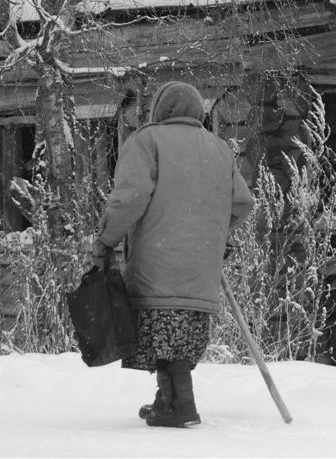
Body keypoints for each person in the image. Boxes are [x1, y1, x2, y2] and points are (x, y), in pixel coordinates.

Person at [93, 81, 254, 428]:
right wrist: (213, 233)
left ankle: (182, 405)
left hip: (158, 258)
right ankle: (166, 400)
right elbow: (241, 203)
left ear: (161, 111)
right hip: (202, 263)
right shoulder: (219, 149)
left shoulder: (147, 141)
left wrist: (106, 239)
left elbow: (129, 198)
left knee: (162, 328)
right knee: (183, 332)